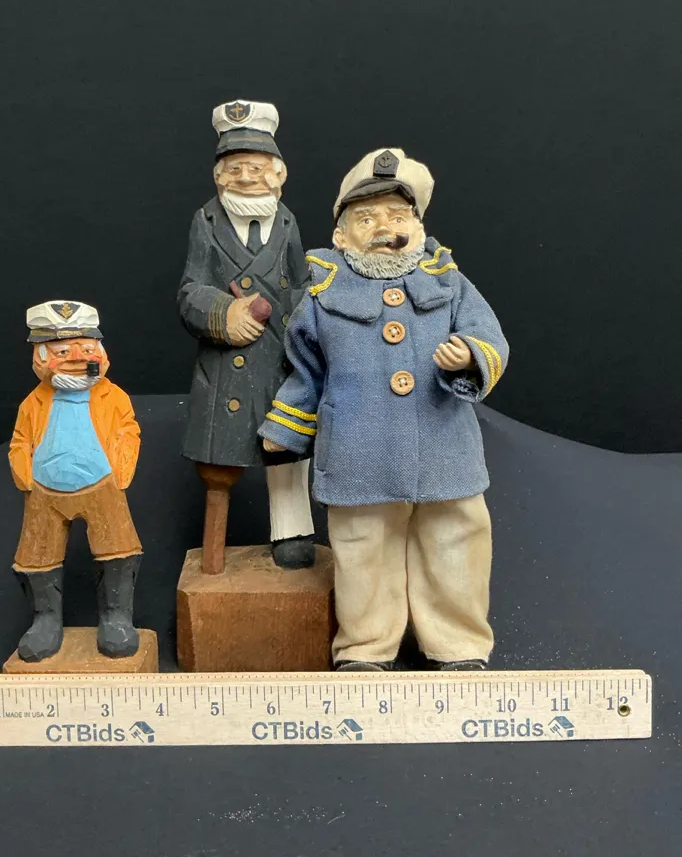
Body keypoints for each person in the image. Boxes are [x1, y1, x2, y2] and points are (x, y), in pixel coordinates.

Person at [259, 148, 509, 671]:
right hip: (358, 450)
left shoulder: (449, 283)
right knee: (362, 547)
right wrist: (286, 428)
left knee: (456, 539)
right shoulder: (322, 295)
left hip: (444, 444)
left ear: (418, 227)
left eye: (397, 216)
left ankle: (459, 643)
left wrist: (469, 356)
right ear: (341, 234)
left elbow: (490, 338)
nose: (384, 228)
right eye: (366, 218)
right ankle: (366, 646)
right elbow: (304, 370)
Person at [178, 99, 315, 570]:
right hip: (227, 362)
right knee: (221, 456)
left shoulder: (288, 221)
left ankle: (292, 532)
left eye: (256, 168)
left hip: (280, 358)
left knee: (287, 448)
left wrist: (306, 323)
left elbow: (300, 283)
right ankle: (214, 541)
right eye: (235, 168)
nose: (246, 178)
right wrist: (223, 313)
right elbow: (189, 290)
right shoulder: (205, 222)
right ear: (219, 175)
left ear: (278, 174)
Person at [9, 301, 142, 661]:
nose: (78, 359)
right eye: (62, 352)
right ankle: (45, 620)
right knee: (38, 554)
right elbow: (20, 441)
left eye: (86, 348)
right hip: (45, 491)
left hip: (102, 485)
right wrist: (25, 474)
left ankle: (116, 618)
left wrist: (121, 469)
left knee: (117, 547)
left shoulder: (113, 397)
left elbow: (128, 430)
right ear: (40, 357)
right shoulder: (33, 403)